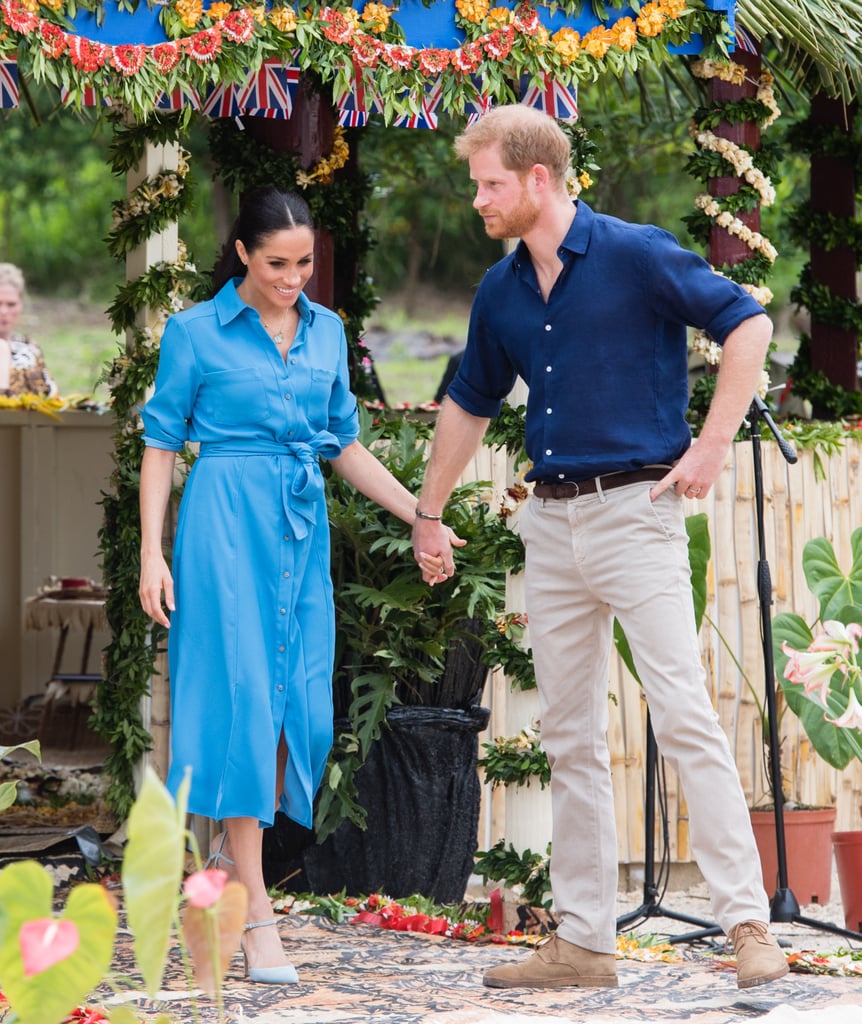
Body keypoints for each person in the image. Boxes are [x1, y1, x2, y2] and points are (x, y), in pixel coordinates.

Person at [412, 105, 789, 992]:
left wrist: (712, 442)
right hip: (550, 521)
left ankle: (747, 926)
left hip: (637, 513)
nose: (479, 199)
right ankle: (585, 943)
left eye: (490, 183)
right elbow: (469, 401)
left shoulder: (636, 252)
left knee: (684, 715)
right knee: (570, 737)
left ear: (538, 179)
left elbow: (750, 326)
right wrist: (429, 513)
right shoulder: (500, 291)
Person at [139, 188, 450, 986]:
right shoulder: (195, 333)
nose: (293, 279)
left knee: (297, 712)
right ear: (242, 252)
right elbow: (162, 444)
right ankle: (255, 911)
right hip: (222, 529)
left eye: (305, 263)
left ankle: (224, 850)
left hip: (297, 532)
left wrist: (420, 515)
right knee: (244, 703)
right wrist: (152, 551)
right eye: (276, 263)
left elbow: (342, 442)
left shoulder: (327, 332)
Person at [0, 263, 59, 398]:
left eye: (11, 304)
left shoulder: (30, 349)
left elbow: (53, 397)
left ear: (21, 304)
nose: (3, 311)